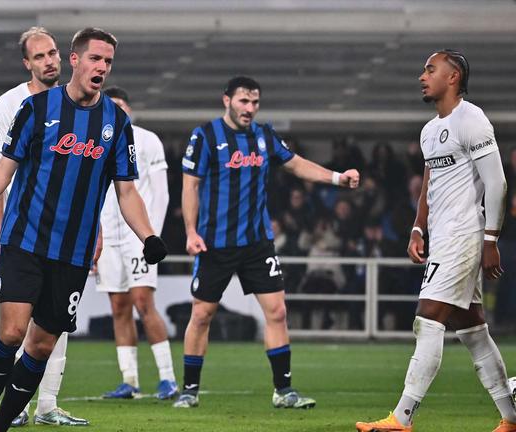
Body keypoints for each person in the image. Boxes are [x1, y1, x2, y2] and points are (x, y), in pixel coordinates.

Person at [0, 27, 168, 432]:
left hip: (73, 252)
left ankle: (0, 424)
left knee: (41, 344)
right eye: (95, 59)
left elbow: (127, 192)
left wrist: (149, 236)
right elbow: (3, 169)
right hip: (25, 239)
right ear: (75, 59)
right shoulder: (35, 109)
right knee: (13, 332)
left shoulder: (116, 123)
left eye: (108, 62)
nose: (101, 67)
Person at [174, 76, 359, 409]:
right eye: (244, 101)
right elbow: (191, 186)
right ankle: (189, 390)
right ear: (226, 100)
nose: (250, 108)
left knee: (277, 311)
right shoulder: (205, 136)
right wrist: (191, 231)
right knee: (202, 315)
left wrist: (336, 178)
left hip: (257, 242)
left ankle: (283, 390)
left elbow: (296, 164)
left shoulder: (264, 136)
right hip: (214, 242)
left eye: (255, 102)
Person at [356, 49, 516, 432]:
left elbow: (497, 183)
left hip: (465, 235)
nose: (421, 76)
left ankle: (401, 417)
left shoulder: (471, 119)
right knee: (472, 329)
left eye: (430, 69)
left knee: (427, 319)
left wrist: (490, 238)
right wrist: (417, 227)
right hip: (442, 237)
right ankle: (511, 418)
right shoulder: (430, 131)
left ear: (454, 76)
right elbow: (431, 183)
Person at [0, 26, 87, 428]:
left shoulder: (81, 105)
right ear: (27, 63)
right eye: (40, 56)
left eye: (53, 53)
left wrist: (94, 234)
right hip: (23, 234)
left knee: (54, 324)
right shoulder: (9, 104)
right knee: (15, 327)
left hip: (69, 237)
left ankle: (47, 404)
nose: (50, 61)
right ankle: (16, 407)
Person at [96, 87, 178, 400]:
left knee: (144, 302)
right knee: (118, 307)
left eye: (119, 106)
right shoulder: (96, 141)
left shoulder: (147, 140)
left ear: (129, 108)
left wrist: (151, 236)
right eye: (110, 106)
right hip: (108, 235)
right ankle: (129, 380)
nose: (116, 111)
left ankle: (168, 378)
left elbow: (161, 192)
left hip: (137, 236)